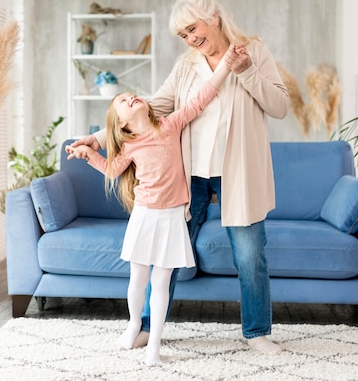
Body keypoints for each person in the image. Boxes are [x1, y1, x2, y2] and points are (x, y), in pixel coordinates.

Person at [68, 0, 290, 355]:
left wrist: (246, 70)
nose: (190, 39)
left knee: (250, 254)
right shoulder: (187, 65)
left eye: (192, 28)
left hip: (237, 171)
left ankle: (257, 332)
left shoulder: (253, 51)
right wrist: (96, 138)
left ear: (213, 17)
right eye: (183, 35)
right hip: (186, 175)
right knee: (162, 255)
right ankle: (142, 329)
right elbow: (151, 108)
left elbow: (279, 106)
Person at [66, 50, 233, 366]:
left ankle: (154, 345)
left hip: (172, 218)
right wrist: (88, 153)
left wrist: (224, 67)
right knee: (138, 279)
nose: (131, 98)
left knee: (161, 283)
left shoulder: (170, 125)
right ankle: (134, 326)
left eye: (130, 95)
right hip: (144, 216)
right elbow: (113, 171)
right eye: (124, 103)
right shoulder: (130, 145)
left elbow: (199, 100)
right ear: (123, 123)